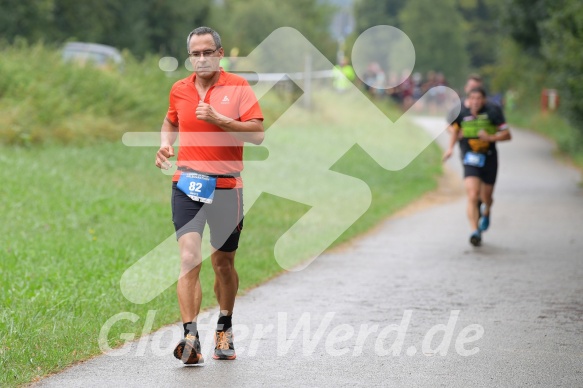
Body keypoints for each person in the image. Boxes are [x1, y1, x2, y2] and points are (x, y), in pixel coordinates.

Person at [155, 26, 264, 364]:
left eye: (207, 52)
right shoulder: (179, 89)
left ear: (220, 54)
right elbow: (170, 121)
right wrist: (165, 144)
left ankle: (224, 327)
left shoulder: (239, 87)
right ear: (189, 57)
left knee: (223, 263)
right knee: (189, 258)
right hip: (187, 182)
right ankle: (190, 339)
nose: (201, 59)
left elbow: (258, 133)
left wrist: (220, 119)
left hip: (227, 186)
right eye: (195, 54)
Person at [443, 87, 511, 246]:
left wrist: (490, 137)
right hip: (470, 158)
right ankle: (474, 231)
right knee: (473, 194)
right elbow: (454, 129)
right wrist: (450, 148)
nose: (475, 102)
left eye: (479, 98)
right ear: (468, 99)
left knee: (485, 197)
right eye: (472, 98)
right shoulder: (461, 112)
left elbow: (507, 135)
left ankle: (486, 210)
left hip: (489, 158)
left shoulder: (493, 112)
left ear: (484, 100)